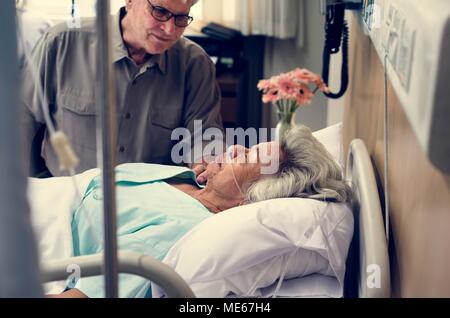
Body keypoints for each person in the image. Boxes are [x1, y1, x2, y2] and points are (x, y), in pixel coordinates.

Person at [47, 125, 352, 298]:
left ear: (250, 199)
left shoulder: (176, 233)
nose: (234, 148)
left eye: (245, 156)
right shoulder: (189, 179)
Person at [20, 0, 222, 179]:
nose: (170, 29)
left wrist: (207, 164)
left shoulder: (195, 64)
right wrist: (35, 184)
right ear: (130, 1)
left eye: (181, 18)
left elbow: (203, 135)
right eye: (160, 11)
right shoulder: (62, 43)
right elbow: (21, 122)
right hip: (66, 200)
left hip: (152, 206)